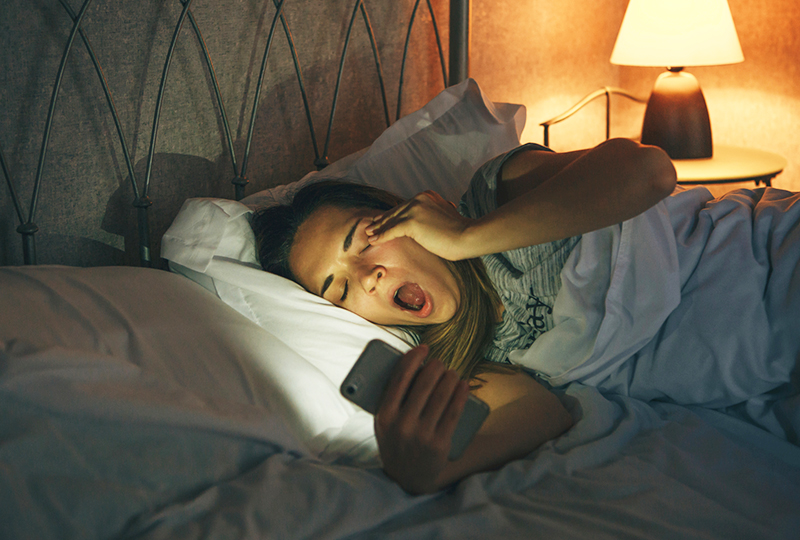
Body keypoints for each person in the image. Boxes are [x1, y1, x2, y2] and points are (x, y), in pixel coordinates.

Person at [249, 138, 741, 494]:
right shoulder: (461, 359)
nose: (367, 276)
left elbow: (648, 171)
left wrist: (467, 238)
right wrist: (423, 472)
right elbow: (541, 414)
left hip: (756, 260)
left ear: (407, 212)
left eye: (364, 239)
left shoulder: (495, 194)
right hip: (742, 360)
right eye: (339, 290)